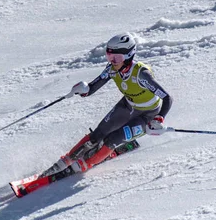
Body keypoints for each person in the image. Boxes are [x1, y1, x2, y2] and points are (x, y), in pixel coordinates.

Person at [45, 32, 173, 175]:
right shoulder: (112, 69)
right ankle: (67, 160)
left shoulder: (141, 75)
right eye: (109, 56)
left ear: (129, 56)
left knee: (113, 139)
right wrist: (84, 89)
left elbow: (167, 98)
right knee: (98, 134)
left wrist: (159, 118)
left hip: (147, 115)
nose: (113, 61)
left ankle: (84, 165)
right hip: (128, 105)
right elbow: (93, 87)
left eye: (117, 57)